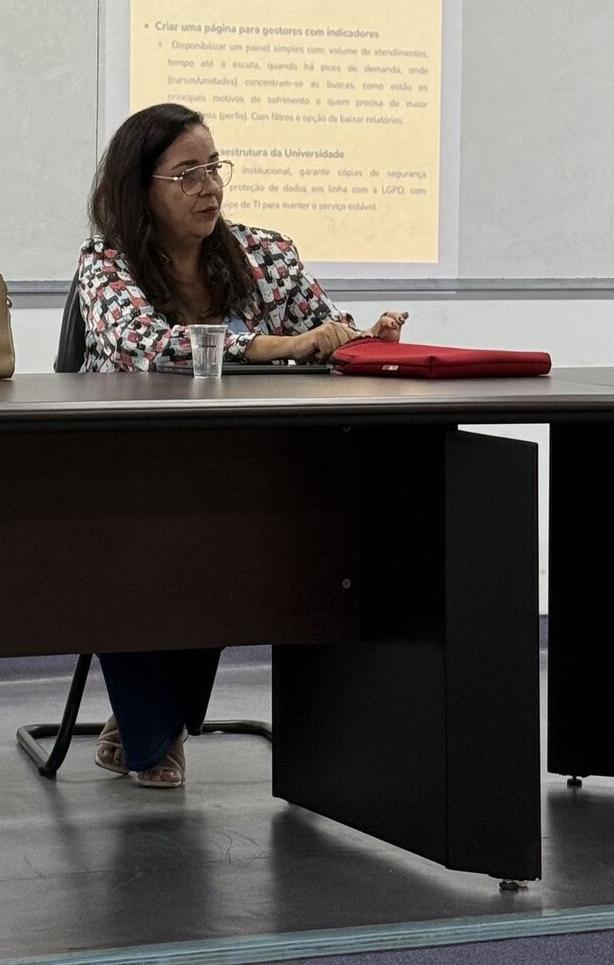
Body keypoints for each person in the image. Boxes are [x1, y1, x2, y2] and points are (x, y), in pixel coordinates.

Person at [77, 102, 407, 788]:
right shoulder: (106, 264)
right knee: (130, 548)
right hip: (123, 469)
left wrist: (362, 338)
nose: (210, 187)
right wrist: (282, 345)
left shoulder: (266, 254)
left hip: (233, 464)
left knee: (241, 544)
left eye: (214, 167)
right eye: (187, 174)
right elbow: (153, 347)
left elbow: (324, 333)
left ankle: (154, 717)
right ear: (141, 189)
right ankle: (152, 726)